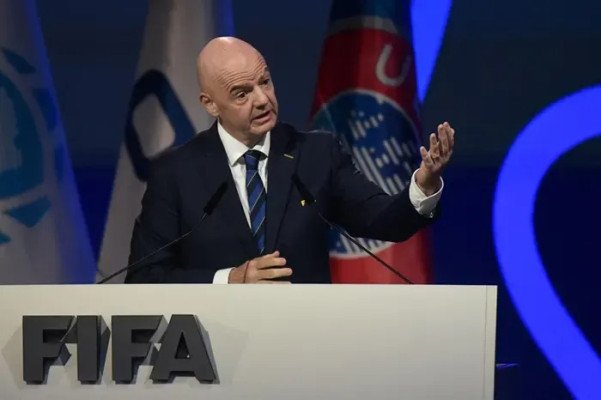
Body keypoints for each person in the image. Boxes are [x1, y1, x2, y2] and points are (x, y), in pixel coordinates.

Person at [124, 37, 455, 284]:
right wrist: (229, 279)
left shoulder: (316, 154)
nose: (262, 99)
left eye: (265, 82)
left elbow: (384, 221)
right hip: (212, 347)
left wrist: (424, 184)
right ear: (210, 104)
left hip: (304, 342)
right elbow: (144, 277)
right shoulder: (175, 173)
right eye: (242, 93)